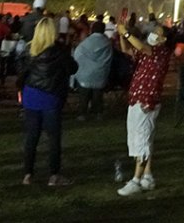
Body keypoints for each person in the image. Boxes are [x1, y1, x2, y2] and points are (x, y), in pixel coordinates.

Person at [116, 25, 173, 197]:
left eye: (157, 33)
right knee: (141, 138)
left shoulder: (160, 52)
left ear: (164, 39)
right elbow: (127, 49)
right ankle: (147, 176)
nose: (153, 35)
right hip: (137, 98)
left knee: (142, 139)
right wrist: (121, 35)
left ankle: (136, 180)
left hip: (146, 100)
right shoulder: (149, 52)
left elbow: (141, 46)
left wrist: (125, 32)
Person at [19, 16, 73, 187]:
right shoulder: (59, 52)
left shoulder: (30, 50)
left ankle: (28, 174)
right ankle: (54, 175)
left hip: (31, 96)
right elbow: (73, 68)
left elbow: (21, 72)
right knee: (53, 138)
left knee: (31, 137)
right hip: (50, 96)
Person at [73, 22, 113, 118]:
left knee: (84, 96)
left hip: (84, 75)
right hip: (100, 75)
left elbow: (77, 55)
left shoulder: (85, 43)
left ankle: (82, 113)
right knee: (98, 95)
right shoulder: (107, 43)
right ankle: (98, 112)